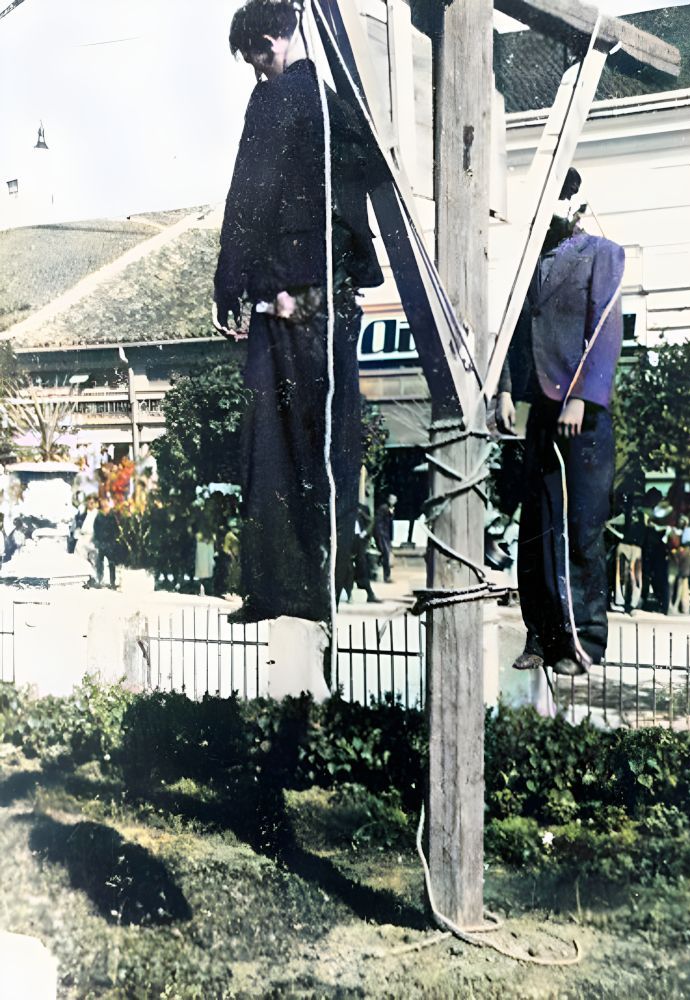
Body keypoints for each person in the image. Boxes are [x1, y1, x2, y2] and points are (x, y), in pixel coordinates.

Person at [213, 0, 384, 624]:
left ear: (269, 41)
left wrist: (228, 284)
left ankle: (272, 587)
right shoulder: (341, 109)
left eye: (257, 57)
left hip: (284, 297)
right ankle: (322, 584)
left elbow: (248, 198)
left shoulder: (274, 101)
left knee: (270, 441)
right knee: (330, 439)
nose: (257, 71)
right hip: (333, 303)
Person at [495, 169, 624, 676]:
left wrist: (581, 398)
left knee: (582, 525)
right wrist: (506, 387)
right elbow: (509, 327)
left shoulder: (602, 253)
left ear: (575, 202)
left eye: (557, 198)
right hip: (542, 413)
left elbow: (606, 329)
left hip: (583, 418)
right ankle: (540, 637)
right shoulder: (528, 262)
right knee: (537, 527)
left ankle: (583, 644)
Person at [342, 503, 380, 603]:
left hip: (357, 539)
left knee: (362, 567)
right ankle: (349, 595)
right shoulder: (342, 505)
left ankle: (370, 594)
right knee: (348, 569)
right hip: (346, 539)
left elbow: (371, 520)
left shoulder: (361, 508)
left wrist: (364, 533)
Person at [93, 497, 118, 588]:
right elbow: (95, 529)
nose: (104, 503)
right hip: (101, 543)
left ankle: (112, 582)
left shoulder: (112, 515)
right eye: (102, 502)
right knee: (100, 562)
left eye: (105, 501)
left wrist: (114, 541)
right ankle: (99, 580)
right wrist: (97, 542)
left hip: (110, 543)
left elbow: (116, 529)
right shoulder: (99, 516)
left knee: (112, 563)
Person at [373, 494, 397, 584]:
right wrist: (380, 534)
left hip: (387, 535)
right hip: (382, 535)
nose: (393, 501)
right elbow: (378, 522)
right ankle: (386, 577)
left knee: (385, 555)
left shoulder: (391, 509)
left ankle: (382, 574)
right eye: (391, 499)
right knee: (385, 555)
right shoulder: (383, 508)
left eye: (394, 499)